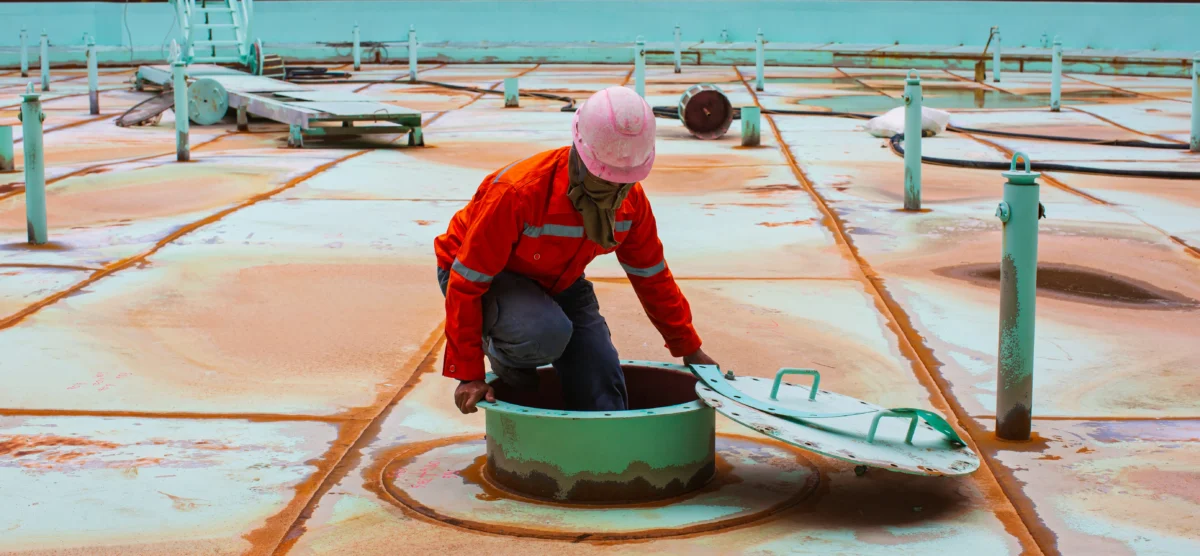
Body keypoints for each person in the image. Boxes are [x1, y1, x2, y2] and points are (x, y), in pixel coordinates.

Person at [434, 85, 718, 414]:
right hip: (477, 274)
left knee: (601, 377)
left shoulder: (629, 203)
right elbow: (467, 282)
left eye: (625, 179)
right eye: (606, 177)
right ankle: (501, 349)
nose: (616, 187)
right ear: (581, 154)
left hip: (557, 279)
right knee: (543, 333)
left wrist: (689, 347)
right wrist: (468, 373)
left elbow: (652, 277)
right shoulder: (520, 193)